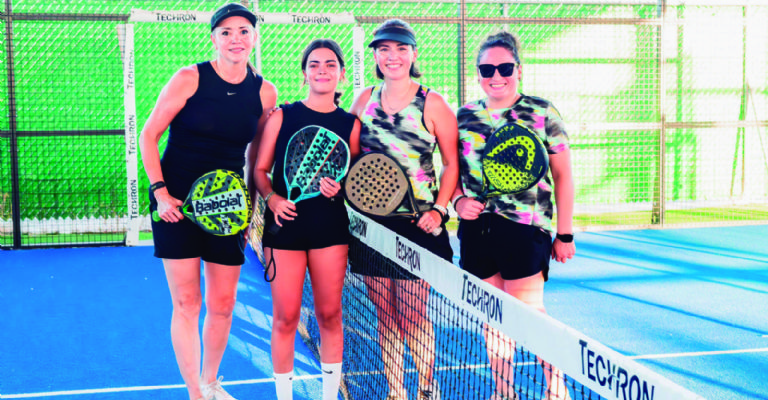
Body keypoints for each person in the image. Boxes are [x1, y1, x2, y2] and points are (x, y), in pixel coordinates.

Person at [138, 3, 277, 400]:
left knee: (223, 304)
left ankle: (211, 382)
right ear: (214, 38)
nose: (236, 39)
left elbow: (256, 156)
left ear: (254, 37)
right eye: (226, 32)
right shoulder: (188, 78)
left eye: (244, 31)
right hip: (175, 206)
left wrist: (251, 209)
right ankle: (195, 394)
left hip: (229, 210)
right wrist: (160, 193)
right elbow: (149, 136)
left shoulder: (265, 91)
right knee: (187, 302)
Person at [453, 31, 576, 400]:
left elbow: (563, 175)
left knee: (530, 314)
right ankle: (503, 392)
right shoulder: (463, 117)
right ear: (478, 73)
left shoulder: (542, 112)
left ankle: (557, 389)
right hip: (477, 231)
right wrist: (458, 202)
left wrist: (565, 234)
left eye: (505, 68)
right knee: (494, 318)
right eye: (487, 69)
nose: (496, 76)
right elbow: (451, 173)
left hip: (525, 230)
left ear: (518, 70)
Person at [348, 19, 459, 400]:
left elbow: (452, 165)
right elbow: (352, 155)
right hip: (371, 224)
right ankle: (396, 392)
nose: (391, 56)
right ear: (376, 56)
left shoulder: (433, 103)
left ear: (413, 54)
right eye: (384, 50)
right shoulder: (364, 99)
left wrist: (439, 210)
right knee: (385, 314)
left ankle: (427, 388)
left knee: (413, 313)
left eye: (400, 49)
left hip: (418, 224)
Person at [253, 38, 361, 400]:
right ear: (304, 74)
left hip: (329, 231)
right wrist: (272, 198)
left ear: (341, 74)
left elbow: (353, 181)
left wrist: (340, 188)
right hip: (284, 233)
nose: (322, 71)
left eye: (330, 64)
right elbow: (261, 170)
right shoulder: (282, 116)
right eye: (314, 64)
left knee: (329, 315)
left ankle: (330, 396)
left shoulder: (351, 125)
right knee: (286, 317)